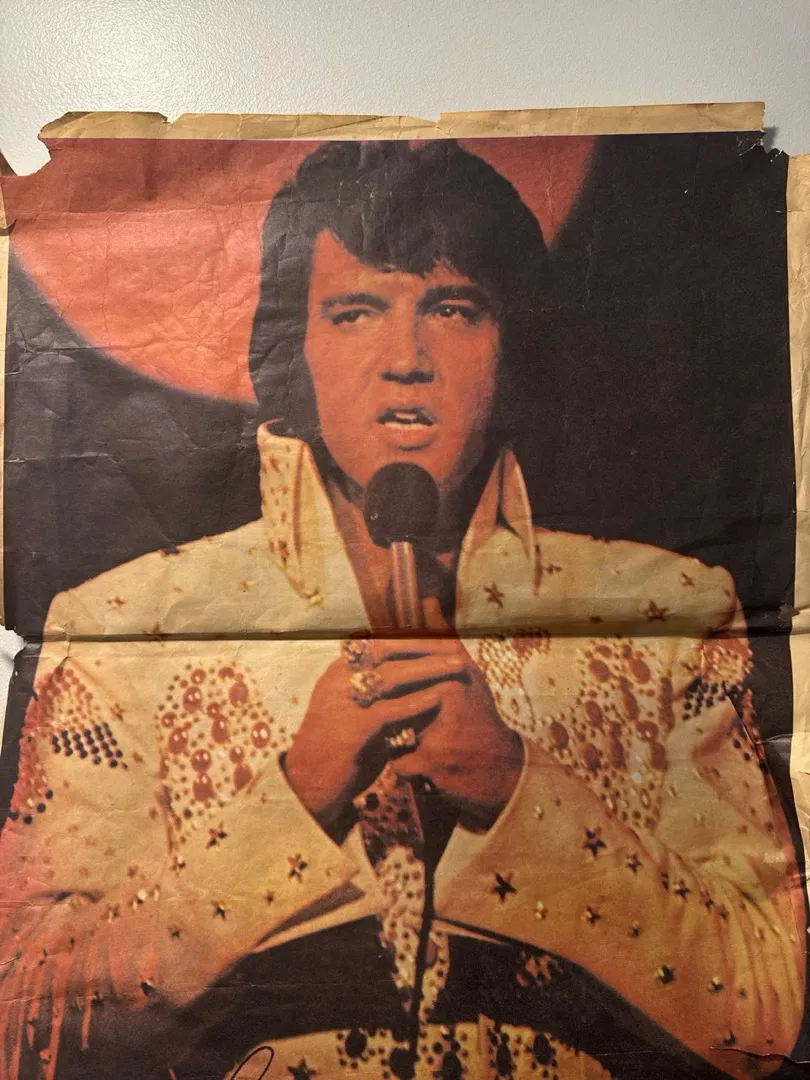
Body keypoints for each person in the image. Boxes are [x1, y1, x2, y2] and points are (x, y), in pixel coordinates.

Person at [0, 140, 803, 1080]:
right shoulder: (125, 625)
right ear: (292, 348)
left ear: (512, 344)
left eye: (454, 310)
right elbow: (25, 1031)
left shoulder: (668, 616)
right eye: (353, 313)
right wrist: (293, 796)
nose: (405, 362)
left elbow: (771, 1013)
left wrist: (521, 792)